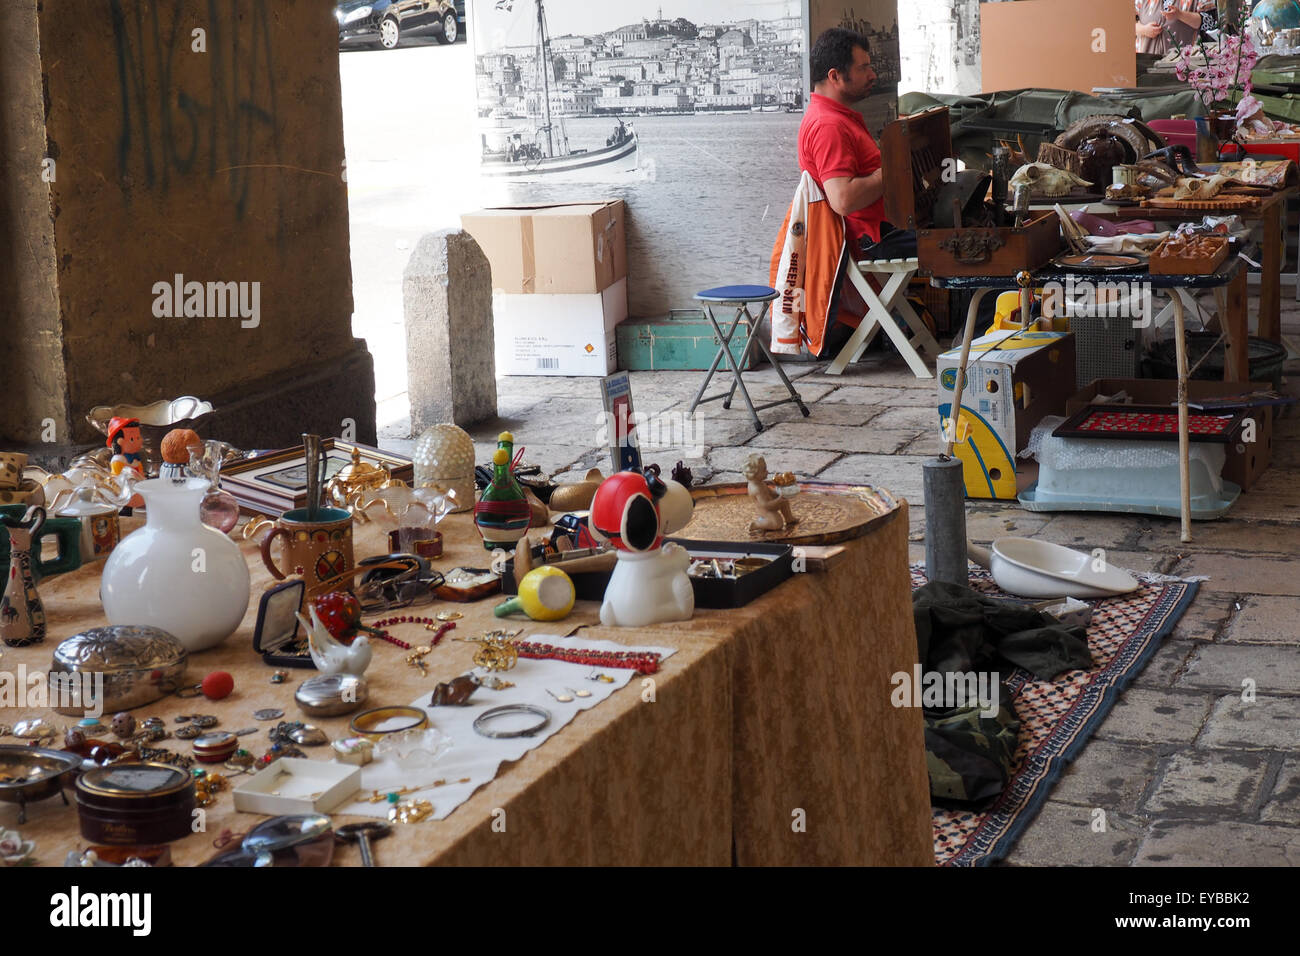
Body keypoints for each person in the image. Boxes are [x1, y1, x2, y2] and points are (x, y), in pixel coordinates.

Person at [798, 28, 884, 253]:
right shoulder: (828, 125)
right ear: (834, 76)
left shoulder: (835, 118)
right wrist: (893, 172)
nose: (872, 75)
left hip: (879, 233)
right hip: (871, 241)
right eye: (863, 68)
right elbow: (843, 199)